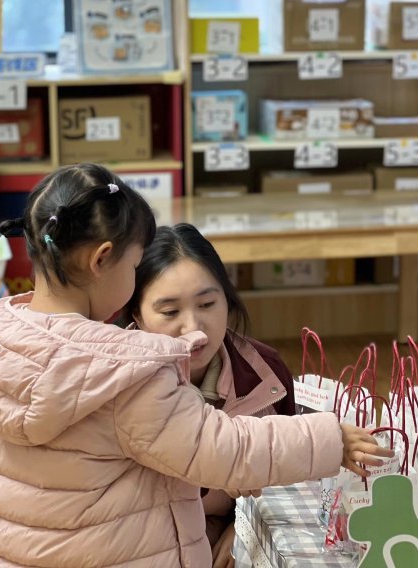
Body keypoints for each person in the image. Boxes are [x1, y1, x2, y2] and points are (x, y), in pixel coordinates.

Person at [0, 163, 392, 568]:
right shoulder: (122, 372)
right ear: (102, 260)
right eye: (134, 266)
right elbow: (222, 449)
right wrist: (331, 439)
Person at [123, 224, 297, 568]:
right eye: (170, 312)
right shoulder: (115, 384)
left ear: (227, 301)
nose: (193, 326)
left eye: (207, 303)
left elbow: (289, 475)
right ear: (137, 316)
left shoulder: (266, 373)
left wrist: (246, 524)